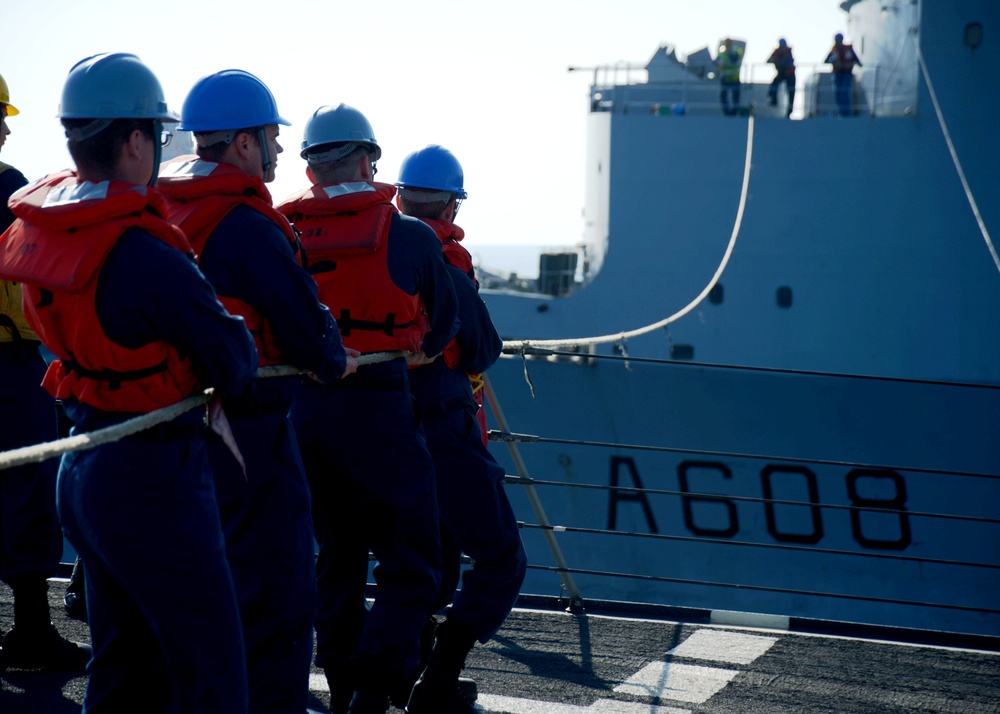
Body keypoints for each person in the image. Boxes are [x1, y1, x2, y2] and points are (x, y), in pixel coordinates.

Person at [0, 53, 259, 712]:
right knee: (214, 674)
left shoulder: (43, 230)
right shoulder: (144, 249)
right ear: (138, 139)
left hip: (83, 467)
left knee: (121, 671)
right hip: (154, 478)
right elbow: (235, 361)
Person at [157, 69, 357, 714]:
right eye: (271, 137)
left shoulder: (165, 208)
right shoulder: (249, 224)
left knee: (199, 587)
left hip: (173, 427)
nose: (277, 151)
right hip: (250, 427)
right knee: (277, 590)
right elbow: (305, 330)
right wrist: (334, 358)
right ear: (243, 141)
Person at [276, 104, 459, 714]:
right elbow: (446, 322)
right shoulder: (407, 233)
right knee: (416, 561)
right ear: (369, 158)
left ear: (309, 163)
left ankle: (344, 689)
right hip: (380, 409)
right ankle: (375, 692)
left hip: (304, 410)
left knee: (337, 559)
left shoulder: (280, 228)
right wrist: (411, 353)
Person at [394, 145, 527, 714]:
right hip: (442, 430)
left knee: (425, 557)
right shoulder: (446, 261)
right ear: (451, 206)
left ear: (397, 196)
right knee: (502, 557)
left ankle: (406, 671)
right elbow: (481, 346)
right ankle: (439, 675)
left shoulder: (376, 251)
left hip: (377, 428)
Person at [0, 71, 91, 672]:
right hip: (6, 367)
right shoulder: (7, 188)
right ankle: (31, 629)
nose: (6, 128)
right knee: (25, 490)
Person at [826, 33, 863, 116]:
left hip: (847, 74)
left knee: (845, 92)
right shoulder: (833, 50)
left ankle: (846, 113)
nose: (837, 41)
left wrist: (858, 63)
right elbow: (826, 60)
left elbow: (855, 59)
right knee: (838, 93)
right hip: (837, 74)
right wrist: (833, 61)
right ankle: (840, 112)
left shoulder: (849, 49)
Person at [767, 39, 796, 118]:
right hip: (782, 73)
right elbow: (768, 60)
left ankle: (789, 112)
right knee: (774, 83)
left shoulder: (788, 52)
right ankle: (774, 100)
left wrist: (778, 62)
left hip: (790, 74)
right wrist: (774, 60)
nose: (782, 47)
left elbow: (788, 62)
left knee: (791, 92)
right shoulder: (776, 52)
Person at [716, 38, 744, 116]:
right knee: (723, 96)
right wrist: (718, 63)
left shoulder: (736, 51)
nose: (727, 45)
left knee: (736, 97)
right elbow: (716, 61)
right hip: (725, 78)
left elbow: (734, 60)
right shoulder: (721, 53)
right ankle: (727, 112)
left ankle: (734, 112)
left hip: (734, 78)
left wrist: (727, 56)